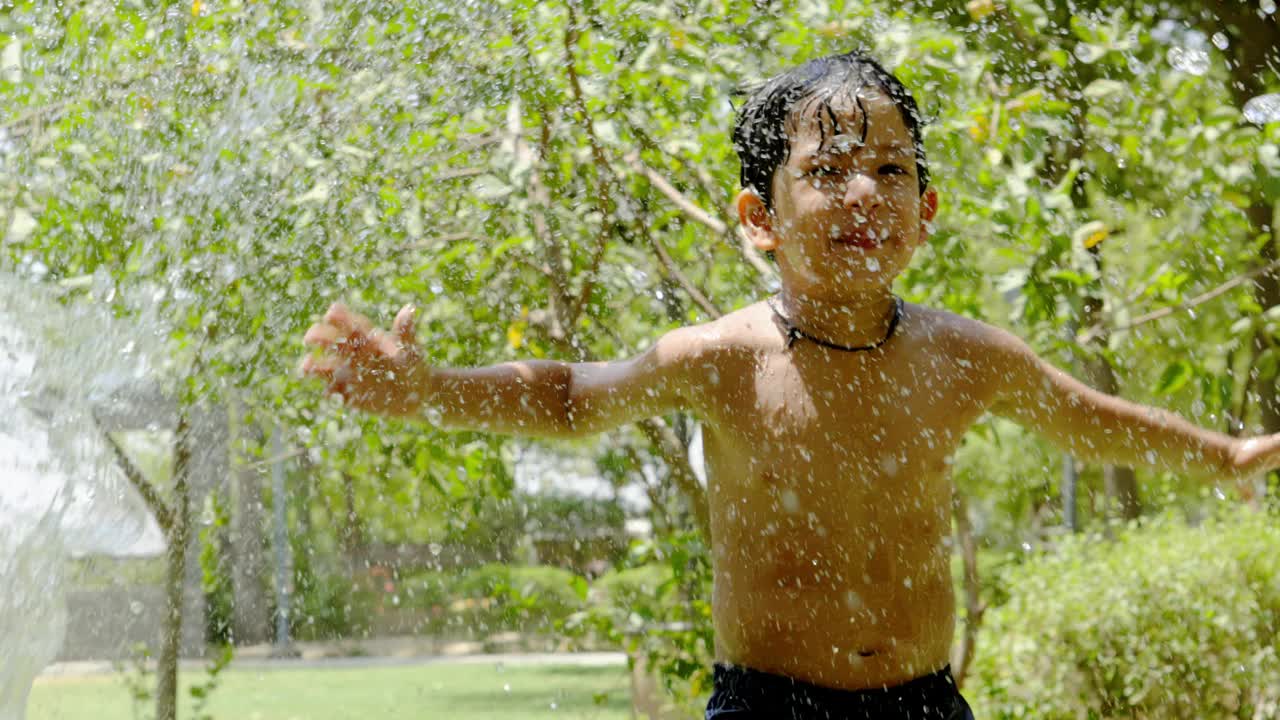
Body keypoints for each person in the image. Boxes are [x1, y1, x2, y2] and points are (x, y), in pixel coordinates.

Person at [300, 50, 1279, 719]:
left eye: (891, 169)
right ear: (757, 216)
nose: (864, 193)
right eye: (829, 169)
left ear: (926, 209)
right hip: (766, 701)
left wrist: (1225, 453)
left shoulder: (963, 356)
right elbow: (569, 396)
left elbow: (1086, 421)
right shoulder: (723, 358)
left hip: (921, 699)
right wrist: (432, 388)